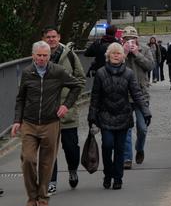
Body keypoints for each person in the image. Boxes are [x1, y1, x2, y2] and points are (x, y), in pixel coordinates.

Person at [11, 41, 84, 206]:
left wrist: (66, 105)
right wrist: (17, 120)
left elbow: (77, 85)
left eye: (45, 56)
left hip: (50, 122)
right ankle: (32, 195)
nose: (42, 58)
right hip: (29, 122)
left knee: (46, 162)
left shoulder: (57, 72)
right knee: (28, 159)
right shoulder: (27, 72)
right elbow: (20, 98)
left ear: (49, 57)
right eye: (39, 55)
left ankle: (43, 197)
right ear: (33, 56)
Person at [88, 42, 150, 191]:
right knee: (107, 145)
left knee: (120, 148)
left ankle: (118, 177)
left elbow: (136, 93)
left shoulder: (128, 73)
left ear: (123, 56)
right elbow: (95, 96)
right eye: (113, 53)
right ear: (108, 56)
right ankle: (108, 173)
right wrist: (92, 116)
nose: (116, 55)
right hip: (106, 115)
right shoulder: (101, 73)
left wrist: (145, 111)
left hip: (123, 115)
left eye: (119, 53)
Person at [43, 28, 86, 194]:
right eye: (48, 37)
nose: (51, 39)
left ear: (59, 37)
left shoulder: (69, 55)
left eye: (54, 37)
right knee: (49, 148)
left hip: (67, 109)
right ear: (44, 39)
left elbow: (80, 78)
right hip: (47, 112)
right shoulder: (39, 55)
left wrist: (71, 99)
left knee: (71, 147)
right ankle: (51, 181)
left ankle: (73, 169)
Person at [121, 27, 153, 168]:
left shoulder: (144, 49)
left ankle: (139, 149)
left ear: (137, 39)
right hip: (124, 95)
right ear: (123, 39)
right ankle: (127, 158)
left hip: (141, 94)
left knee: (142, 128)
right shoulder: (118, 50)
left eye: (132, 39)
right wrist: (125, 53)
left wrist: (136, 53)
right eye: (126, 39)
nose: (129, 41)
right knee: (126, 128)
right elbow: (112, 65)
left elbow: (150, 66)